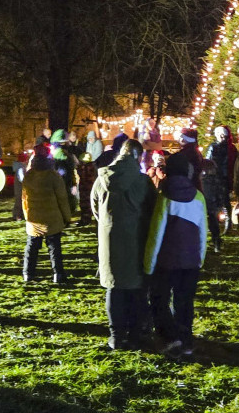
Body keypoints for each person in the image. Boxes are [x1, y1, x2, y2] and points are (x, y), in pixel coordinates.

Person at [91, 139, 157, 349]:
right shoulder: (143, 182)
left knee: (114, 288)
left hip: (110, 240)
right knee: (136, 291)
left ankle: (116, 336)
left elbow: (95, 207)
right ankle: (135, 334)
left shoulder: (102, 178)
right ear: (138, 156)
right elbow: (153, 209)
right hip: (137, 241)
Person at [144, 153, 208, 358]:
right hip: (190, 262)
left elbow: (156, 232)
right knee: (184, 301)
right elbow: (202, 232)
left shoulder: (164, 196)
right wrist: (200, 258)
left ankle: (169, 337)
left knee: (159, 299)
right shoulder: (198, 197)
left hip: (166, 261)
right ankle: (186, 339)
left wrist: (149, 263)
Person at [22, 144, 72, 284]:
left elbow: (24, 199)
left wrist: (28, 217)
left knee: (31, 247)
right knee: (54, 248)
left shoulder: (28, 176)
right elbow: (62, 198)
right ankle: (58, 274)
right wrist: (67, 217)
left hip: (34, 219)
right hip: (52, 218)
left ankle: (28, 273)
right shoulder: (53, 176)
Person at [205, 126, 238, 231]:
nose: (220, 136)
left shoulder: (231, 148)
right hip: (213, 176)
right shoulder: (212, 146)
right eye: (218, 133)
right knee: (213, 200)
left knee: (225, 200)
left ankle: (228, 223)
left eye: (222, 133)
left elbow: (234, 163)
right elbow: (207, 160)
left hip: (224, 176)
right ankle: (214, 222)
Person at [200, 159, 222, 252]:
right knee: (213, 223)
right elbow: (219, 192)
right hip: (210, 203)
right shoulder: (215, 180)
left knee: (210, 223)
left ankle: (215, 242)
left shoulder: (202, 180)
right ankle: (216, 242)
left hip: (205, 203)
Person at [76, 152, 97, 225]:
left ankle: (85, 219)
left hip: (85, 187)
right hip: (89, 187)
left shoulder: (84, 167)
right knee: (87, 203)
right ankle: (86, 218)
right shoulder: (93, 166)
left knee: (85, 204)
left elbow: (83, 176)